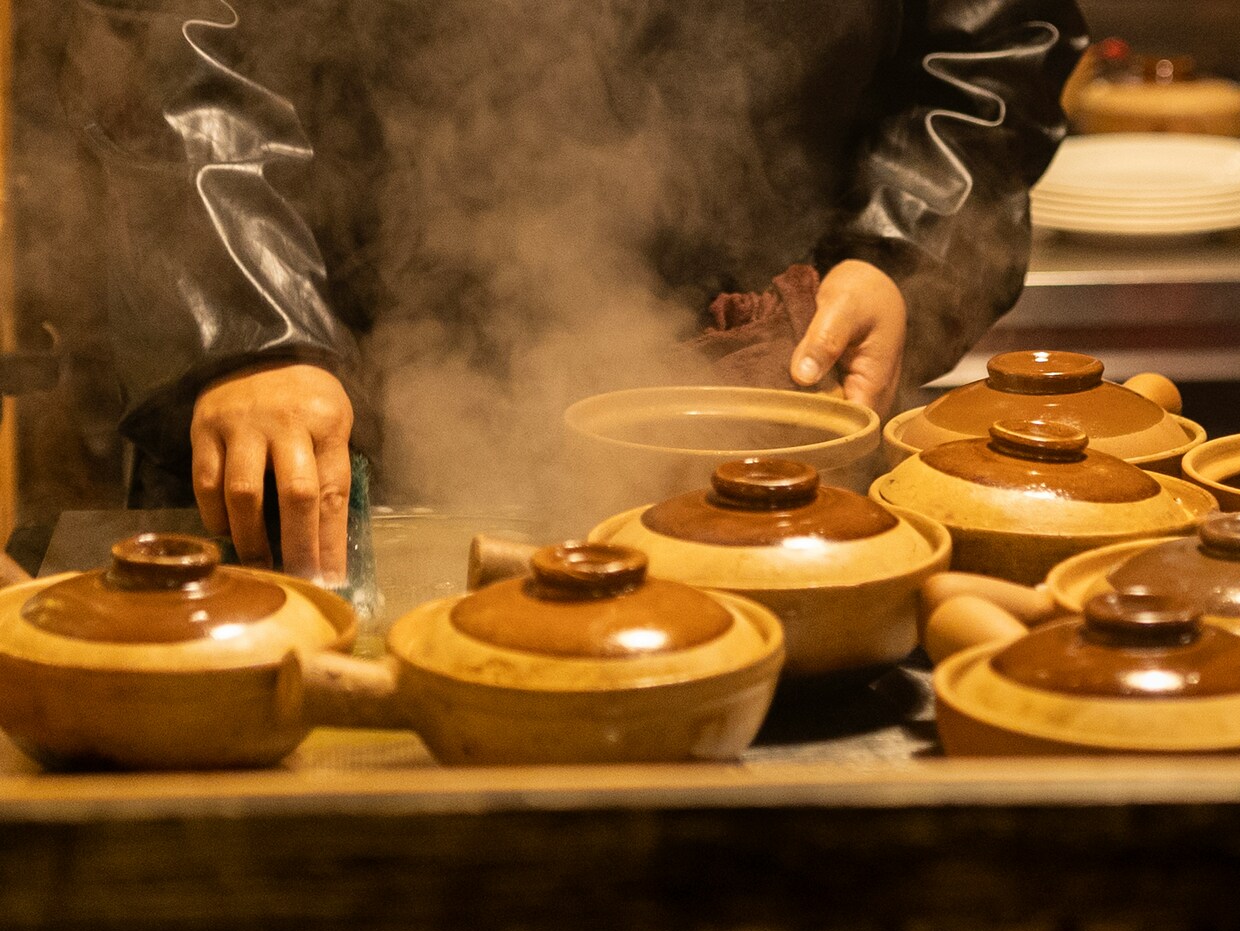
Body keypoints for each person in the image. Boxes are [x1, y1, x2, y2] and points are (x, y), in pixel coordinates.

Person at [64, 0, 1088, 583]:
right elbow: (163, 37)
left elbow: (991, 42)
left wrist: (901, 248)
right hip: (331, 386)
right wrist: (249, 327)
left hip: (762, 397)